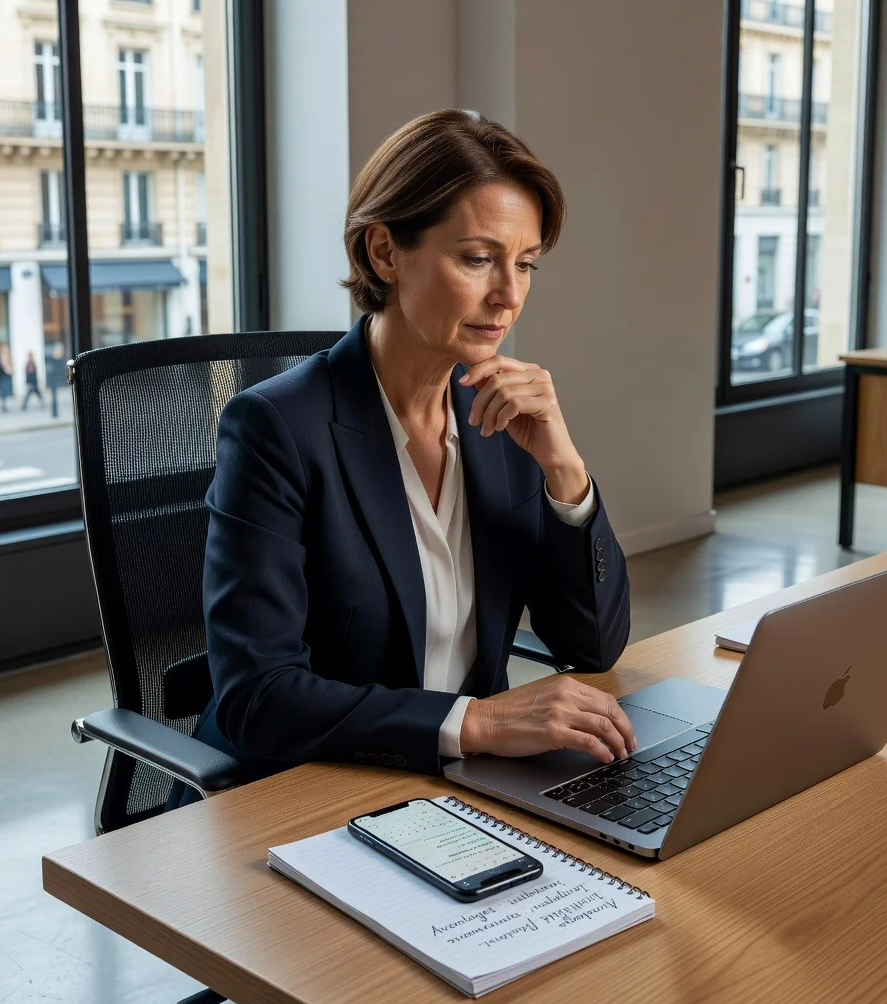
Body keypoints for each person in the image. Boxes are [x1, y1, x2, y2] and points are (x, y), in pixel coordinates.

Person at [184, 110, 632, 802]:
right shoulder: (275, 428)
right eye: (478, 259)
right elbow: (257, 697)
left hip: (460, 787)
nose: (509, 296)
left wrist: (565, 472)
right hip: (306, 789)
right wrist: (473, 722)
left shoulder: (501, 415)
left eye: (526, 264)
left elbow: (595, 645)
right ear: (385, 254)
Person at [45, 341, 66, 418]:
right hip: (53, 381)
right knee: (53, 398)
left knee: (55, 399)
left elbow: (61, 372)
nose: (55, 352)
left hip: (58, 382)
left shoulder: (61, 361)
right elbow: (50, 371)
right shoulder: (52, 360)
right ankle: (54, 413)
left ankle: (55, 413)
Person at [0, 341, 13, 412]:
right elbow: (4, 366)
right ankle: (4, 405)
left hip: (3, 376)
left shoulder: (2, 355)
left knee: (5, 391)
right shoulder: (2, 356)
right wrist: (9, 371)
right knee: (4, 391)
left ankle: (4, 405)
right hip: (4, 376)